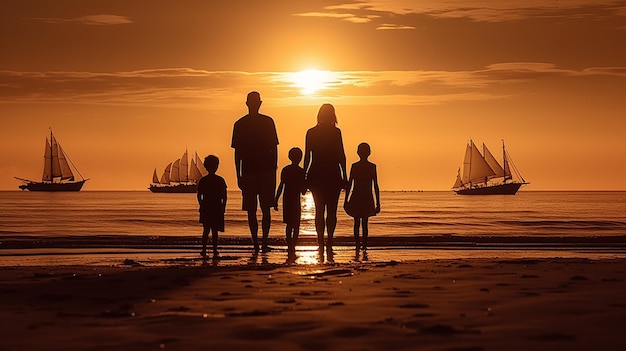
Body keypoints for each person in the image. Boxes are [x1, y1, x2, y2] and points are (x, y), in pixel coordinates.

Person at [231, 91, 279, 252]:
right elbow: (237, 153)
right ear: (258, 103)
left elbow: (273, 148)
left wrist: (239, 174)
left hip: (256, 171)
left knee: (257, 210)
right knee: (259, 209)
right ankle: (260, 243)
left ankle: (259, 243)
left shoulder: (243, 124)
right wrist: (239, 174)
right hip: (258, 172)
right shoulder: (259, 122)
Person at [303, 103, 347, 257]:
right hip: (333, 174)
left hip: (316, 174)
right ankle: (329, 240)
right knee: (332, 211)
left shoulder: (311, 132)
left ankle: (321, 240)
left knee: (319, 210)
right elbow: (341, 155)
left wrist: (305, 175)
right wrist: (345, 176)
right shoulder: (336, 132)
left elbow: (307, 156)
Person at [344, 142, 380, 251]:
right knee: (364, 223)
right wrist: (378, 202)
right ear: (369, 153)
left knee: (357, 222)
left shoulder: (356, 166)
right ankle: (363, 245)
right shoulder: (371, 167)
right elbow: (375, 186)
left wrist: (346, 199)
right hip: (366, 196)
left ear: (358, 152)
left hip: (358, 196)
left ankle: (359, 245)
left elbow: (350, 184)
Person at [274, 147, 306, 256]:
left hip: (287, 198)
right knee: (296, 224)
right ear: (300, 158)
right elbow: (303, 191)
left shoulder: (286, 170)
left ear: (289, 157)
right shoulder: (301, 171)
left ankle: (290, 245)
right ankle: (293, 245)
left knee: (289, 224)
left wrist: (276, 199)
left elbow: (281, 186)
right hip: (295, 199)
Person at [196, 155, 227, 258]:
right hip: (216, 207)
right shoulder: (220, 180)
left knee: (206, 230)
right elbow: (224, 195)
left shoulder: (203, 180)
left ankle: (205, 249)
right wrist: (223, 206)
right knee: (214, 230)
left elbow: (199, 195)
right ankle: (214, 250)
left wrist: (201, 204)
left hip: (207, 207)